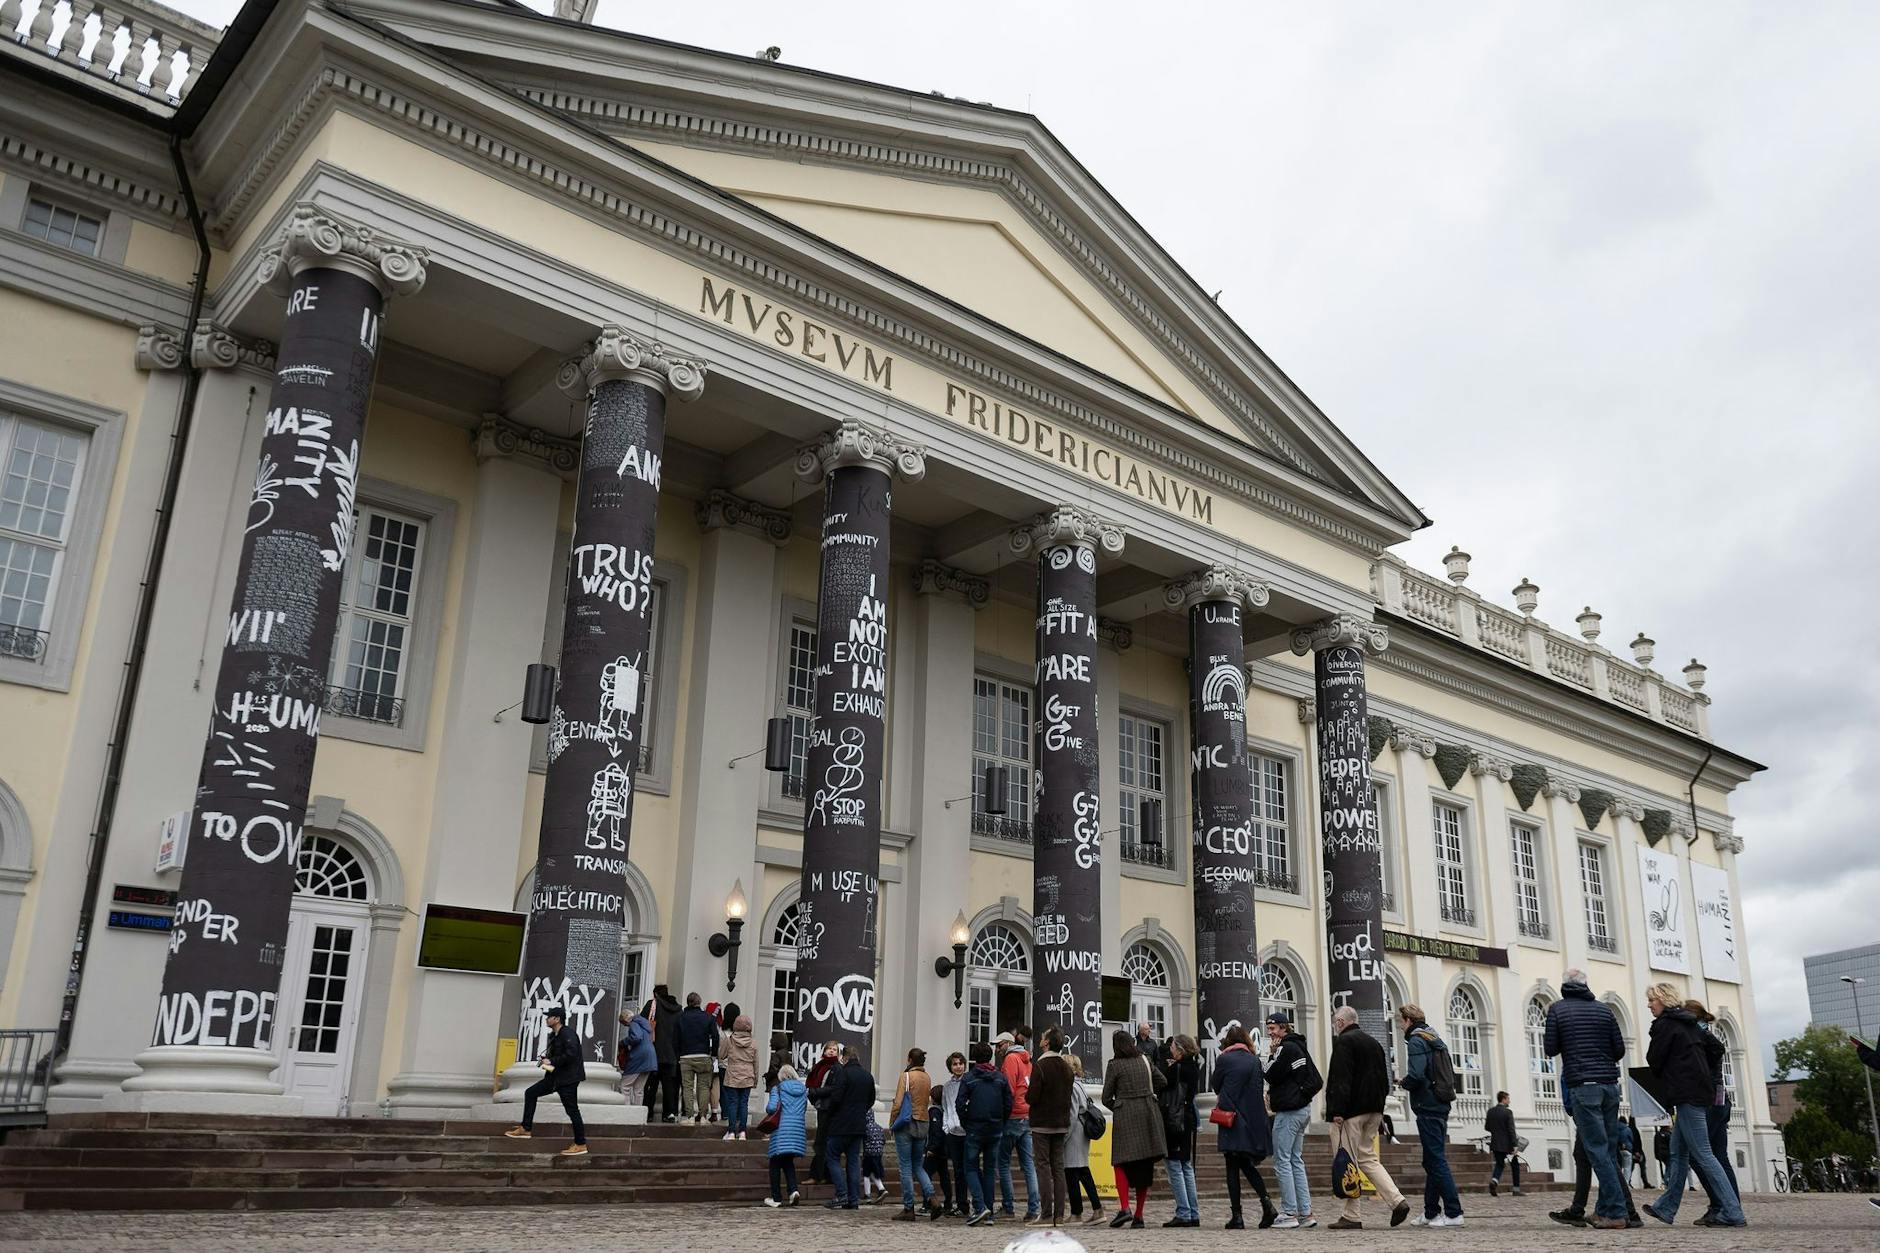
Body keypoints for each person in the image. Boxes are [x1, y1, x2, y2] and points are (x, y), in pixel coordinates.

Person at [1641, 985, 1745, 1228]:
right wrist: (1699, 1068)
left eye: (1652, 1000)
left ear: (1663, 1000)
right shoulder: (1690, 1023)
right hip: (1696, 1093)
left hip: (1687, 1094)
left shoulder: (1666, 1025)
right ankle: (1666, 1208)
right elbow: (1717, 1048)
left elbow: (1654, 1060)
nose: (1649, 1005)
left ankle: (1732, 1211)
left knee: (1704, 1155)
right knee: (1678, 1153)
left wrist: (1688, 1069)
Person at [1543, 967, 1628, 1228]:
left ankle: (1615, 1212)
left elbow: (1549, 1048)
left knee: (1597, 1152)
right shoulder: (1605, 1010)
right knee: (1609, 1151)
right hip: (1610, 1086)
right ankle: (1604, 1210)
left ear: (1564, 985)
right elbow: (1619, 1050)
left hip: (1583, 1085)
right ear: (1585, 984)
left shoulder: (1557, 1009)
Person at [1324, 1004, 1410, 1230]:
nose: (1335, 1026)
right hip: (1374, 1110)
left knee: (1347, 1162)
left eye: (1335, 1022)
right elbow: (1384, 1080)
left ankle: (1352, 1215)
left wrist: (1337, 1111)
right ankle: (1397, 1201)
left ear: (1341, 1022)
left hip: (1351, 1112)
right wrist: (1380, 1110)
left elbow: (1341, 1079)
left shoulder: (1344, 1042)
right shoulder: (1374, 1043)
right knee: (1368, 1158)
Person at [1399, 1003, 1463, 1228]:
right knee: (1431, 1160)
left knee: (1436, 1159)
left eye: (1401, 1022)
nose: (1400, 1026)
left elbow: (1416, 1075)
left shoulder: (1417, 1040)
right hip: (1441, 1103)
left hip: (1427, 1104)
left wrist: (1403, 1082)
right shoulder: (1434, 1038)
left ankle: (1454, 1212)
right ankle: (1431, 1212)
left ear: (1408, 1020)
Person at [1212, 1022, 1277, 1230]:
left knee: (1232, 1167)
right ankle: (1267, 1205)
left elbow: (1216, 1085)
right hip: (1252, 1120)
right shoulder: (1254, 1060)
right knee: (1246, 1165)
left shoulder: (1224, 1058)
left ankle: (1237, 1216)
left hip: (1231, 1118)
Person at [1101, 1027, 1167, 1229]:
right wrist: (1147, 1094)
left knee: (1120, 1162)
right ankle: (1139, 1216)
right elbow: (1162, 1081)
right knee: (1144, 1166)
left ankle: (1124, 1208)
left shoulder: (1115, 1065)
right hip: (1148, 1115)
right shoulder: (1146, 1060)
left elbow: (1105, 1097)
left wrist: (1119, 1106)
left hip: (1125, 1117)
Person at [503, 1005, 589, 1155]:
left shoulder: (567, 1034)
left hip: (567, 1080)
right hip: (554, 1078)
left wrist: (552, 1061)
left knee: (572, 1111)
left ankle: (580, 1144)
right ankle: (525, 1128)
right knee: (530, 1093)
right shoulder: (555, 1035)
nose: (546, 1019)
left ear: (556, 1019)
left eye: (549, 1017)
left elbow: (572, 1054)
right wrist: (547, 1060)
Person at [1264, 1010, 1321, 1229]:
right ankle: (1306, 1213)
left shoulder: (1285, 1048)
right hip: (1302, 1110)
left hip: (1289, 1111)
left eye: (1273, 1028)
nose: (1270, 1033)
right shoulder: (1299, 1046)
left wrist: (1271, 1054)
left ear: (1283, 1027)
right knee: (1296, 1160)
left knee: (1282, 1161)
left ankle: (1289, 1213)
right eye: (1269, 1029)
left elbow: (1269, 1073)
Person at [1687, 1001, 1741, 1226]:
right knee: (1719, 1156)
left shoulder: (1700, 1036)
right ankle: (1731, 1204)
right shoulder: (1704, 1033)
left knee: (1699, 1156)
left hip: (1710, 1100)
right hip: (1720, 1099)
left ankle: (1721, 1205)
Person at [957, 1040, 1014, 1226]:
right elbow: (1008, 1103)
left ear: (974, 1058)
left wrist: (966, 1122)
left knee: (971, 1168)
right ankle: (988, 1212)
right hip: (995, 1128)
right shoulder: (1000, 1077)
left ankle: (981, 1207)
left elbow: (960, 1104)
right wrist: (1002, 1122)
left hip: (974, 1127)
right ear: (990, 1056)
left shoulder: (969, 1078)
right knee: (990, 1170)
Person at [814, 1044, 875, 1209]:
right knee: (853, 1161)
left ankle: (841, 1194)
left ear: (844, 1057)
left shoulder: (843, 1073)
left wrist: (831, 1114)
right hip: (858, 1125)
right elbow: (871, 1100)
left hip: (840, 1124)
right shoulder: (868, 1076)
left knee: (832, 1157)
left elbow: (836, 1098)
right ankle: (853, 1199)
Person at [1027, 1027, 1075, 1228]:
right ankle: (1059, 1215)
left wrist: (1027, 1094)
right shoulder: (1066, 1067)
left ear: (1046, 1043)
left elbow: (1032, 1096)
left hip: (1042, 1123)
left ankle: (1046, 1213)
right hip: (1061, 1122)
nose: (1040, 1038)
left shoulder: (1040, 1066)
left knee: (1043, 1167)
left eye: (1043, 1036)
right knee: (1058, 1168)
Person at [889, 1047, 939, 1220]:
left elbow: (898, 1102)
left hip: (907, 1123)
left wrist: (892, 1122)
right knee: (918, 1165)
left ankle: (909, 1208)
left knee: (905, 1166)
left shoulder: (906, 1076)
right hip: (923, 1122)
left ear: (910, 1060)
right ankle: (932, 1198)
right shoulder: (927, 1077)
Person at [995, 1027, 1038, 1222]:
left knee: (1002, 1162)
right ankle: (1034, 1208)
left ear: (1009, 1044)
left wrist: (1003, 1115)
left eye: (1000, 1045)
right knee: (1028, 1164)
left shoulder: (1010, 1060)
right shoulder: (1027, 1060)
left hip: (1013, 1115)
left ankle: (1008, 1207)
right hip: (1027, 1113)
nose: (997, 1049)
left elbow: (1008, 1090)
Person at [1161, 1034, 1201, 1227]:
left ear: (1180, 1050)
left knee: (1175, 1166)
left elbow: (1160, 1084)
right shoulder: (1193, 1067)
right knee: (1186, 1166)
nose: (1171, 1050)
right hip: (1187, 1117)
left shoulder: (1176, 1069)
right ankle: (1193, 1211)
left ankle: (1184, 1212)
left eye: (1173, 1047)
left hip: (1174, 1120)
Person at [1064, 1052, 1104, 1224]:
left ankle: (1077, 1212)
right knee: (1082, 1172)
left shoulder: (1071, 1086)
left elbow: (1072, 1115)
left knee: (1072, 1173)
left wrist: (1064, 1137)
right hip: (1081, 1132)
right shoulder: (1079, 1085)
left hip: (1075, 1133)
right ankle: (1096, 1209)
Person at [762, 1063, 809, 1208]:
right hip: (797, 1130)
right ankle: (793, 1191)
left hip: (782, 1130)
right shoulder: (803, 1090)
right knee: (788, 1163)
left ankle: (776, 1198)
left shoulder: (778, 1089)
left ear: (781, 1076)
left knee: (775, 1163)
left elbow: (771, 1108)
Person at [676, 991, 719, 1124]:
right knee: (704, 1087)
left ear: (688, 1003)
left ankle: (689, 1116)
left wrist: (678, 1054)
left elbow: (675, 1038)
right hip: (704, 1055)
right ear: (699, 1003)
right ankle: (703, 1116)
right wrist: (713, 1055)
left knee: (687, 1087)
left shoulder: (681, 1018)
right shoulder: (708, 1018)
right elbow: (715, 1037)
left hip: (686, 1056)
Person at [939, 1050, 970, 1217]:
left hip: (967, 1131)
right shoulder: (947, 1086)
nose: (958, 1067)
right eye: (955, 1064)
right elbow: (946, 1107)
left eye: (960, 1063)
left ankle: (975, 1202)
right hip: (952, 1132)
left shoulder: (969, 1082)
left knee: (969, 1169)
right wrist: (946, 1126)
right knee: (958, 1170)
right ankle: (962, 1204)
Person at [805, 1041, 840, 1185]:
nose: (831, 1051)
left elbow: (833, 1088)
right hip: (821, 1106)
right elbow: (812, 1083)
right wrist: (814, 1097)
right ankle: (823, 1175)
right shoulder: (819, 1066)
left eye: (834, 1049)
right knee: (822, 1141)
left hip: (829, 1108)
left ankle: (818, 1175)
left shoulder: (837, 1068)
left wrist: (816, 1092)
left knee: (822, 1142)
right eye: (829, 1049)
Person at [718, 1012, 757, 1140]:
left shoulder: (729, 1040)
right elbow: (756, 1063)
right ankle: (742, 1132)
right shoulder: (753, 1043)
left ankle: (731, 1132)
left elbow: (721, 1055)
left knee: (733, 1103)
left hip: (733, 1075)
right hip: (747, 1076)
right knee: (744, 1104)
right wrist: (755, 1080)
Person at [651, 984, 682, 1122]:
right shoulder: (679, 1011)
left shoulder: (654, 1005)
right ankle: (669, 1113)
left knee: (651, 1085)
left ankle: (649, 1113)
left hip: (654, 1052)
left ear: (656, 995)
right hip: (672, 1054)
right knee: (670, 1086)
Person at [617, 1004, 656, 1108]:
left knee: (624, 1085)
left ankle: (627, 1113)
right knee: (638, 1090)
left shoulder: (634, 1023)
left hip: (639, 1056)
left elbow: (636, 1037)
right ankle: (638, 1114)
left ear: (626, 1019)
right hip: (650, 1057)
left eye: (624, 1024)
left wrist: (624, 1042)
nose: (626, 1026)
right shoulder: (644, 1023)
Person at [1485, 1091, 1522, 1197]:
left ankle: (1494, 1180)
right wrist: (1515, 1145)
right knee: (1515, 1165)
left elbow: (1487, 1127)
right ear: (1504, 1099)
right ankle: (1516, 1189)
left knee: (1500, 1164)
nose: (1509, 1101)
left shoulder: (1491, 1111)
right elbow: (1511, 1129)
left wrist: (1496, 1131)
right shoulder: (1508, 1112)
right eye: (1508, 1099)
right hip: (1508, 1144)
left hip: (1495, 1143)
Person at [861, 1105, 888, 1203]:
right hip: (878, 1153)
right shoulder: (879, 1127)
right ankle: (881, 1189)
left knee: (866, 1173)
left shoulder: (865, 1128)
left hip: (869, 1154)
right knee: (874, 1172)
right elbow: (883, 1140)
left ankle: (867, 1194)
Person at [1626, 1116, 1652, 1188]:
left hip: (1631, 1151)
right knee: (1642, 1167)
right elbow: (1637, 1142)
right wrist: (1637, 1151)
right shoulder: (1634, 1130)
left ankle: (1628, 1180)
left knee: (1630, 1168)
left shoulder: (1629, 1129)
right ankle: (1645, 1182)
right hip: (1637, 1151)